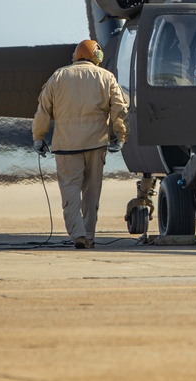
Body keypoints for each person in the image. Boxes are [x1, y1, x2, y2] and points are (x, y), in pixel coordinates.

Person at [32, 39, 129, 249]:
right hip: (96, 144)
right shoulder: (106, 77)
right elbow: (119, 108)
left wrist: (39, 138)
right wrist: (120, 137)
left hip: (66, 146)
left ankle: (78, 234)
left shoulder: (58, 76)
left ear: (76, 56)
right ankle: (90, 235)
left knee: (70, 191)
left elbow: (43, 110)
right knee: (92, 192)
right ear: (97, 57)